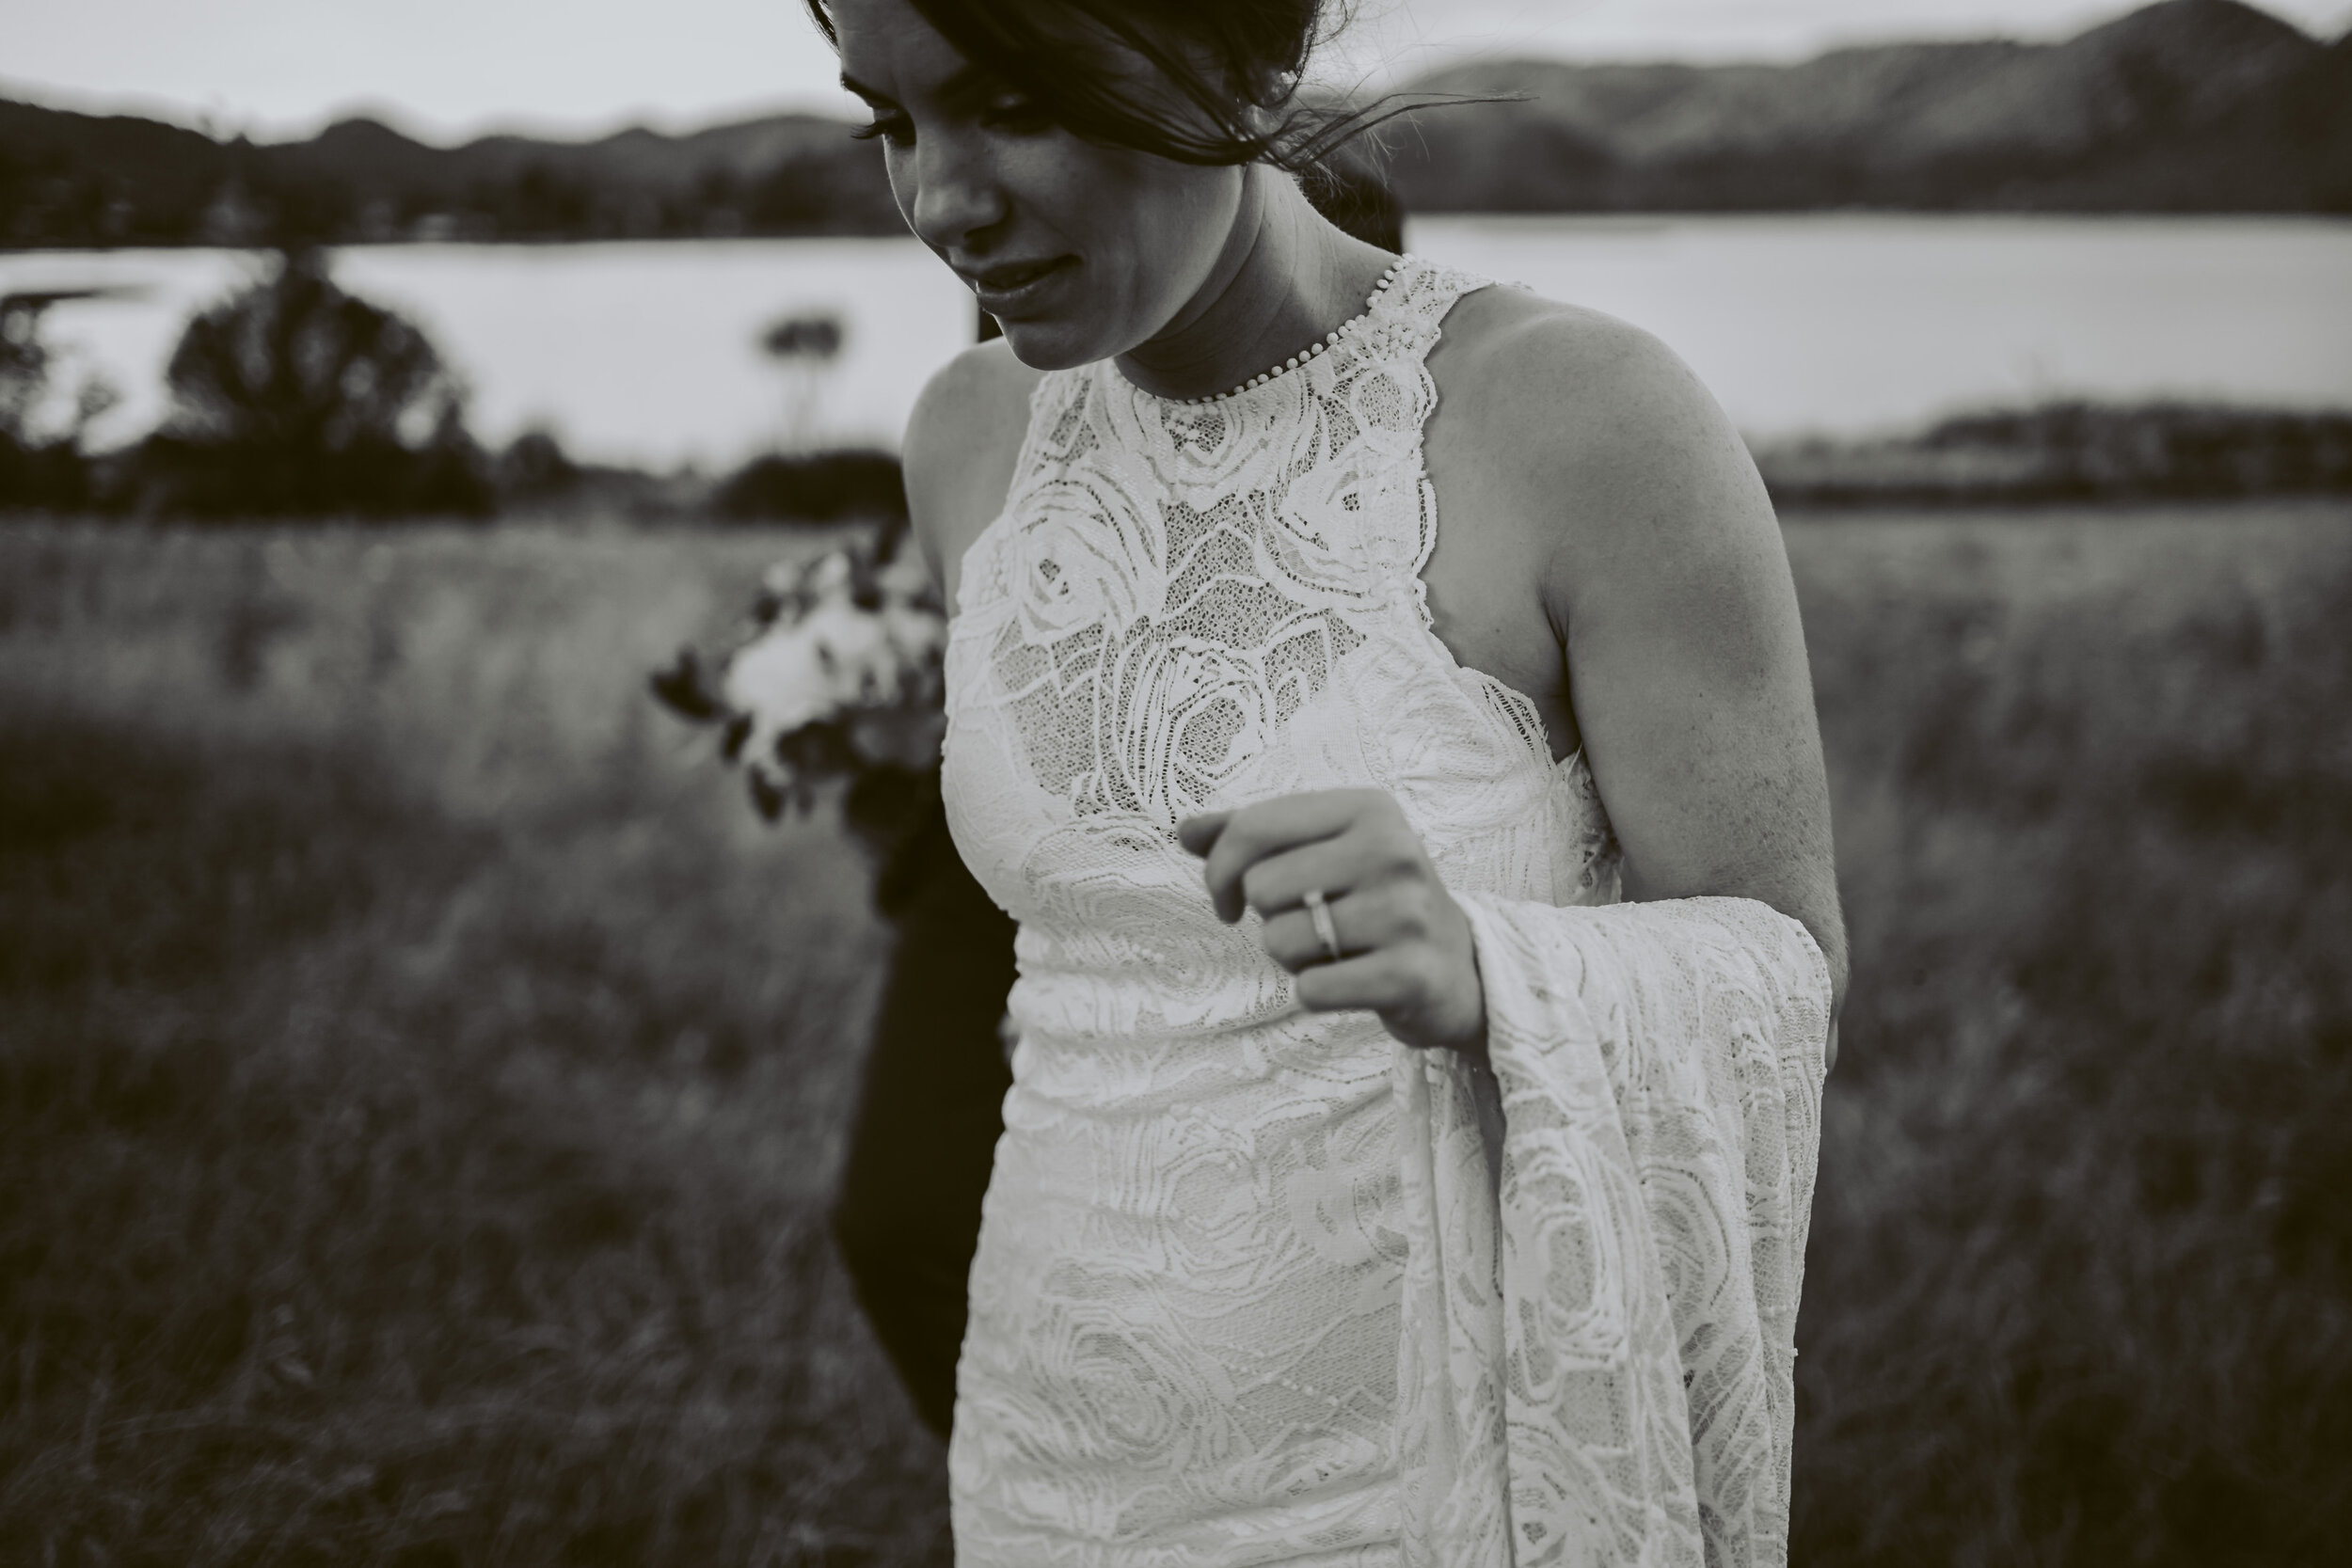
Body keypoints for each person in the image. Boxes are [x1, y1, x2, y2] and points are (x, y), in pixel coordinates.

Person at [810, 0, 1848, 1560]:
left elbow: (1786, 971)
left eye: (1014, 103)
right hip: (1055, 1459)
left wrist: (1494, 968)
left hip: (1419, 1483)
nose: (942, 202)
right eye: (891, 121)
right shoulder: (968, 443)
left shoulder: (1589, 422)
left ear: (1248, 54)